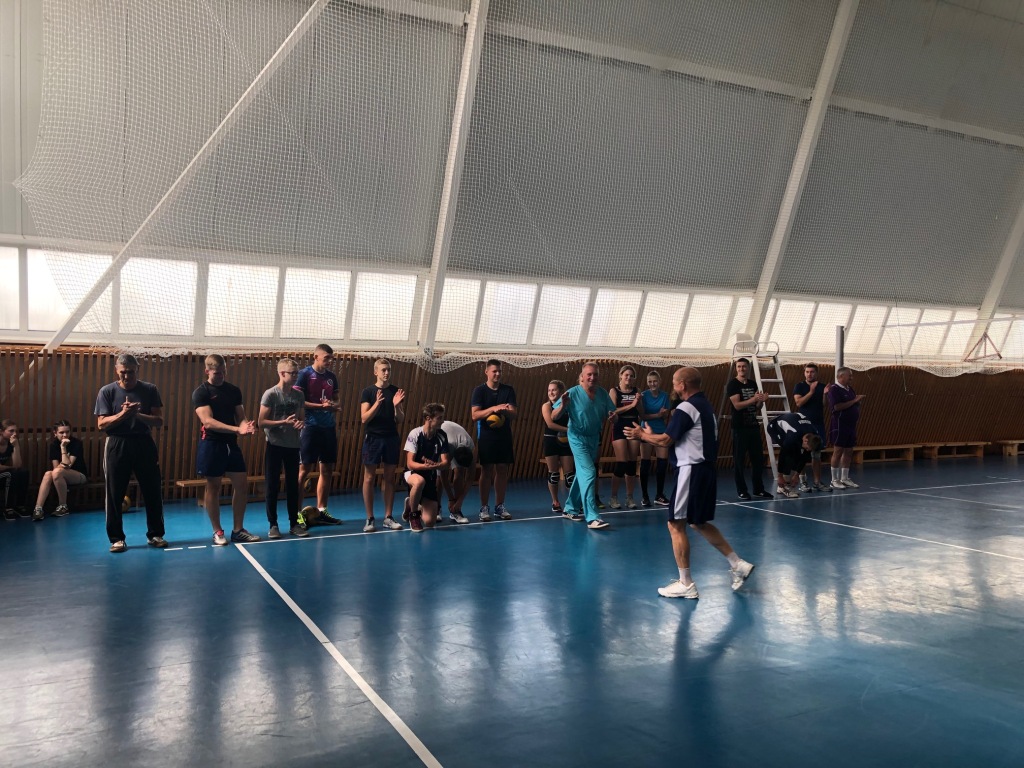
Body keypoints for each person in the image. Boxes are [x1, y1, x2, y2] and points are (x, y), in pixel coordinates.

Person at [625, 367, 755, 599]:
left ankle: (686, 583)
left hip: (691, 470)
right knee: (697, 522)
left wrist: (642, 435)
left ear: (683, 384)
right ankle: (738, 564)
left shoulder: (686, 408)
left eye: (675, 382)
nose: (673, 386)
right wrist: (649, 435)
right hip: (705, 470)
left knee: (675, 524)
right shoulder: (705, 407)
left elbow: (665, 440)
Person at [94, 353, 168, 553]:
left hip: (143, 442)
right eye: (123, 373)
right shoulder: (107, 391)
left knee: (152, 489)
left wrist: (137, 415)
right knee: (114, 492)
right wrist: (123, 414)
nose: (127, 376)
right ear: (117, 371)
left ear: (138, 370)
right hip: (117, 443)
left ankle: (155, 534)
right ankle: (116, 538)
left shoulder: (150, 389)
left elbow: (159, 420)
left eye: (131, 372)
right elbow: (101, 424)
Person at [192, 354, 260, 545]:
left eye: (223, 372)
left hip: (231, 444)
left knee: (242, 485)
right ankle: (217, 531)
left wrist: (246, 426)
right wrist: (237, 429)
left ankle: (238, 530)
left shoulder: (233, 391)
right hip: (212, 444)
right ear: (207, 371)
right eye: (217, 373)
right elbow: (208, 421)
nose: (221, 376)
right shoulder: (201, 392)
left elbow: (241, 417)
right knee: (213, 487)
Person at [550, 362, 618, 530]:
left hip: (594, 438)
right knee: (589, 472)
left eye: (595, 374)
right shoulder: (572, 393)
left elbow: (614, 415)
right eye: (589, 374)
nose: (592, 377)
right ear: (582, 376)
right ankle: (593, 517)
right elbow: (554, 416)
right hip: (577, 438)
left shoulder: (602, 394)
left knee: (582, 474)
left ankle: (570, 508)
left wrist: (613, 418)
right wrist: (563, 406)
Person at [259, 358, 309, 539]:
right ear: (282, 374)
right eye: (292, 373)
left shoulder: (299, 395)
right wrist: (282, 422)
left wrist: (300, 423)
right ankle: (273, 524)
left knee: (292, 485)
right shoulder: (271, 394)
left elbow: (302, 418)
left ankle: (294, 523)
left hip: (293, 445)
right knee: (272, 485)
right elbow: (261, 422)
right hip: (274, 445)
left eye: (297, 373)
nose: (295, 376)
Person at [296, 343, 342, 525]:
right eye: (326, 358)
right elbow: (299, 401)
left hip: (328, 427)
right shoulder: (304, 374)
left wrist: (333, 405)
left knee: (327, 469)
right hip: (310, 427)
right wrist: (320, 406)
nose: (329, 361)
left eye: (332, 358)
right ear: (315, 357)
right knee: (304, 471)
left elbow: (337, 400)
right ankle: (297, 514)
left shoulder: (332, 377)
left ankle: (322, 510)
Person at [359, 358, 406, 532]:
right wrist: (377, 404)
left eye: (388, 370)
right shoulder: (368, 392)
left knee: (389, 478)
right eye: (383, 370)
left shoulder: (395, 391)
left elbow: (400, 419)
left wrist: (397, 407)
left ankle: (388, 517)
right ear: (376, 372)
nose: (386, 373)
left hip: (391, 438)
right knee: (369, 478)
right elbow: (364, 418)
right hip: (373, 439)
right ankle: (370, 518)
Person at [471, 359, 517, 521]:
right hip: (486, 436)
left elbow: (514, 413)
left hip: (504, 435)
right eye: (494, 371)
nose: (497, 374)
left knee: (502, 469)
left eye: (499, 371)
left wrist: (504, 411)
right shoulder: (479, 391)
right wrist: (493, 409)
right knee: (486, 470)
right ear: (487, 372)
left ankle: (499, 506)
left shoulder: (508, 390)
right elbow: (475, 415)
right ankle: (484, 507)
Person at [726, 358, 772, 501]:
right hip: (739, 428)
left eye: (744, 366)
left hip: (753, 426)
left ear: (748, 368)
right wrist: (754, 399)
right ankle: (742, 490)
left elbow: (757, 407)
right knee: (739, 461)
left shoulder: (752, 384)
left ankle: (758, 489)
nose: (741, 369)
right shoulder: (733, 384)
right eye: (739, 366)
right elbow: (737, 405)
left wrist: (761, 401)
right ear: (736, 368)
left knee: (758, 460)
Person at [402, 403, 451, 532]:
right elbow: (410, 464)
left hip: (430, 476)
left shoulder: (442, 436)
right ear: (428, 418)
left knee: (429, 522)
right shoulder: (415, 434)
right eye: (439, 418)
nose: (442, 421)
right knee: (419, 482)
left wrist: (436, 465)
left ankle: (411, 503)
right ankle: (413, 515)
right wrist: (425, 466)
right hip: (412, 473)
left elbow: (446, 463)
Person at [32, 420, 88, 520]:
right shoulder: (54, 445)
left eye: (67, 432)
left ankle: (63, 506)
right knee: (48, 474)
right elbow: (56, 467)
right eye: (61, 432)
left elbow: (68, 465)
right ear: (55, 433)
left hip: (79, 475)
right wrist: (62, 464)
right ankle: (38, 508)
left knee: (57, 472)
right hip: (60, 475)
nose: (65, 435)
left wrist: (63, 448)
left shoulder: (76, 443)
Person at [608, 365, 642, 509]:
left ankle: (629, 497)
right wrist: (632, 405)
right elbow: (612, 410)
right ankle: (613, 497)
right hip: (619, 426)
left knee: (632, 464)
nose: (628, 377)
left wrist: (638, 404)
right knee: (622, 463)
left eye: (631, 375)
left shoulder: (637, 391)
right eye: (626, 375)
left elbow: (642, 412)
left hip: (634, 425)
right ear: (621, 375)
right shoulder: (614, 391)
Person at [766, 412, 822, 499]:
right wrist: (779, 476)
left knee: (798, 454)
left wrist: (796, 475)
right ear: (805, 440)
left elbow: (805, 457)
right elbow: (783, 455)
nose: (807, 450)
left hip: (796, 424)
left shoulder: (815, 434)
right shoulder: (793, 435)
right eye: (807, 448)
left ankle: (786, 483)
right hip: (774, 427)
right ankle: (784, 487)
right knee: (790, 453)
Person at [827, 367, 865, 490]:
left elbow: (852, 403)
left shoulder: (850, 389)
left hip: (851, 425)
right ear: (841, 376)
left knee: (849, 451)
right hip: (840, 424)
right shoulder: (834, 389)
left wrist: (857, 402)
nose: (851, 378)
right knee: (838, 451)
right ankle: (834, 480)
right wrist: (854, 401)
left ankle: (844, 478)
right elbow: (836, 407)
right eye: (850, 376)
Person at [792, 362, 829, 492]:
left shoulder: (822, 386)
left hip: (818, 424)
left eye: (812, 372)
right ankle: (803, 482)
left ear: (816, 373)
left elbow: (824, 404)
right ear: (804, 373)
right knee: (802, 452)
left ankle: (817, 482)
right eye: (807, 372)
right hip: (804, 425)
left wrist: (825, 394)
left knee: (816, 454)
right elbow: (798, 402)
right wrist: (811, 392)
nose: (809, 374)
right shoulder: (799, 386)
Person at [638, 370, 671, 507]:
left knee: (662, 463)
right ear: (647, 383)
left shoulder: (665, 396)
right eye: (650, 381)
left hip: (661, 430)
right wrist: (658, 415)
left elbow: (665, 416)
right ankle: (645, 496)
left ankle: (659, 495)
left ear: (659, 381)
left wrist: (664, 414)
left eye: (655, 381)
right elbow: (642, 416)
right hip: (646, 430)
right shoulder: (643, 395)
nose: (653, 384)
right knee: (645, 462)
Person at [541, 379, 574, 515]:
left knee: (569, 476)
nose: (551, 392)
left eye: (554, 390)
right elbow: (550, 424)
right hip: (551, 441)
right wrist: (569, 430)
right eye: (549, 390)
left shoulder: (568, 405)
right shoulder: (546, 406)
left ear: (561, 392)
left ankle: (572, 502)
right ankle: (555, 501)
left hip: (566, 442)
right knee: (553, 474)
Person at [439, 420, 474, 524]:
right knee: (438, 477)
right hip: (441, 435)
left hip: (455, 437)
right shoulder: (448, 447)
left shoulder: (470, 447)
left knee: (459, 474)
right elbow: (443, 476)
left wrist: (459, 501)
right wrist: (451, 499)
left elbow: (470, 478)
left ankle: (456, 511)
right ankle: (437, 508)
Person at [0, 420, 28, 520]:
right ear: (1, 431)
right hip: (4, 474)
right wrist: (10, 468)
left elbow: (17, 465)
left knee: (23, 472)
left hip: (4, 474)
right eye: (11, 431)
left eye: (16, 431)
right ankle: (8, 508)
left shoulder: (11, 443)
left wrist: (16, 446)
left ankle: (19, 505)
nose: (15, 434)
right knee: (10, 474)